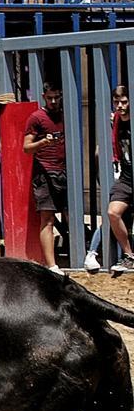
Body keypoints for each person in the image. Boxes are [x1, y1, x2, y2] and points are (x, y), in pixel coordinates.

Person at [23, 82, 68, 273]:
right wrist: (42, 142)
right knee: (47, 219)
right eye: (50, 97)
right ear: (43, 96)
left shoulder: (65, 114)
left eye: (56, 97)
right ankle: (52, 266)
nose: (53, 101)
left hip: (64, 172)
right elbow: (26, 148)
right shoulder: (36, 118)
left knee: (69, 216)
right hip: (45, 174)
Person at [92, 86, 134, 272]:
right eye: (117, 102)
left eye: (124, 102)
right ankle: (129, 255)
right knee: (112, 212)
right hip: (126, 177)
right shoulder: (115, 121)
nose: (120, 106)